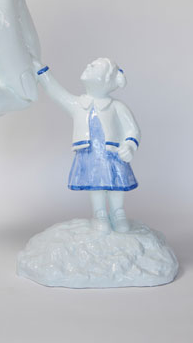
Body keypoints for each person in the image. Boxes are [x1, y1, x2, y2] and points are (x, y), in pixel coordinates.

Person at [36, 58, 140, 234]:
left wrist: (129, 145)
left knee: (116, 183)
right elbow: (57, 93)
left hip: (112, 153)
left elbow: (132, 129)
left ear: (107, 80)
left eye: (96, 66)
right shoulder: (78, 104)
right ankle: (100, 214)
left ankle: (118, 212)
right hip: (90, 154)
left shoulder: (116, 106)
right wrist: (42, 72)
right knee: (96, 185)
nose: (89, 65)